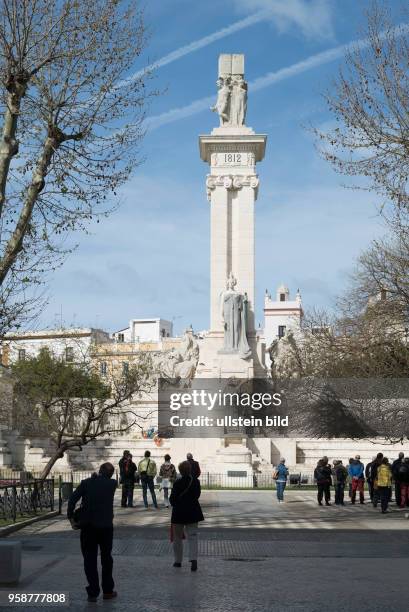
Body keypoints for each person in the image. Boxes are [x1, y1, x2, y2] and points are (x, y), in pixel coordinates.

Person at [67, 462, 117, 602]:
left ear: (99, 471)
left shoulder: (87, 483)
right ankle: (107, 590)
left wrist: (71, 517)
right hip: (106, 526)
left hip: (88, 526)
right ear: (111, 474)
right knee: (106, 558)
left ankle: (93, 592)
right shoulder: (112, 484)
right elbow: (104, 483)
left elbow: (72, 499)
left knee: (89, 559)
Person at [170, 460, 204, 572]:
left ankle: (178, 561)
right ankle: (193, 559)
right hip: (193, 512)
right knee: (193, 536)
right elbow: (197, 495)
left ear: (180, 471)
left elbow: (172, 499)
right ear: (190, 470)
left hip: (179, 513)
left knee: (177, 538)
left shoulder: (177, 482)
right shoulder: (196, 482)